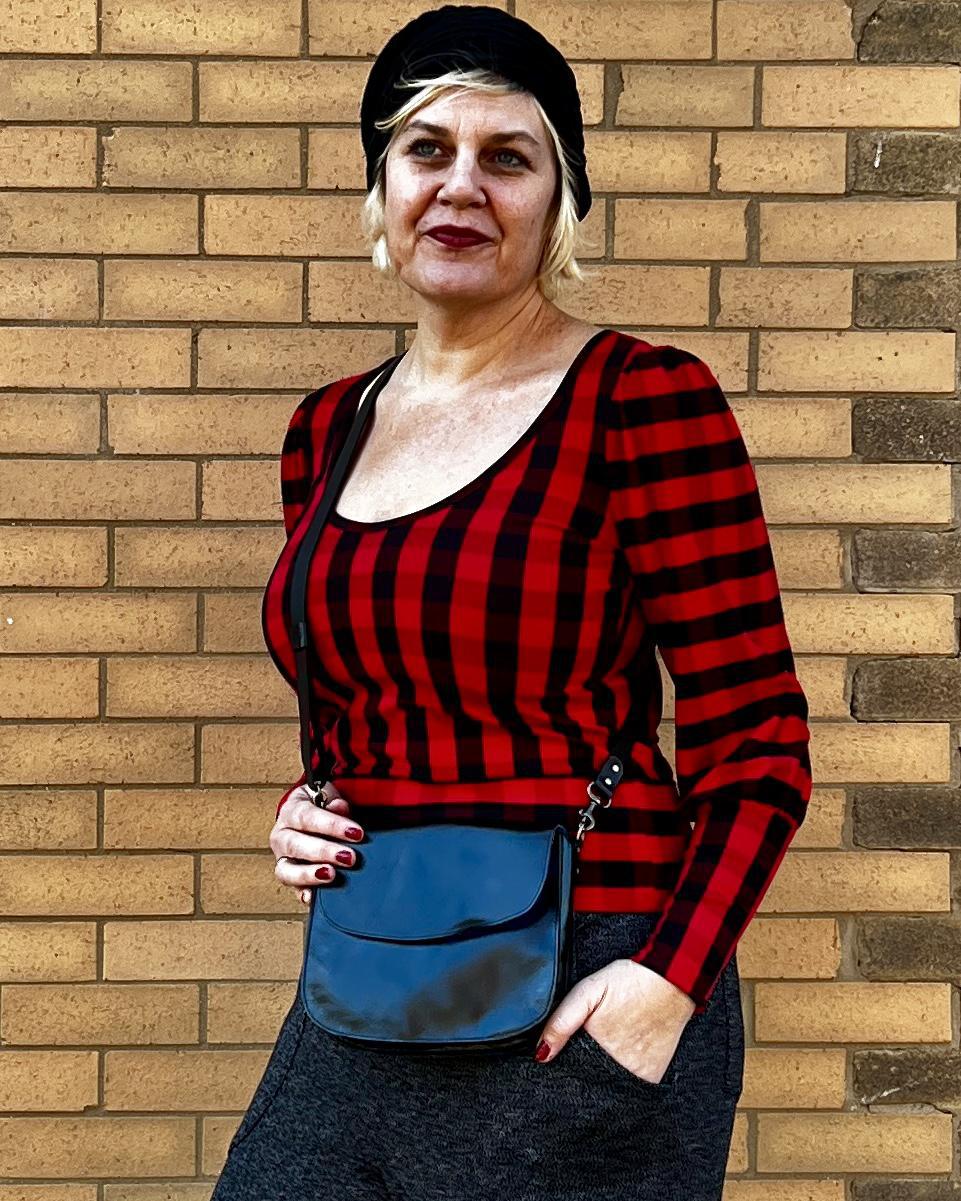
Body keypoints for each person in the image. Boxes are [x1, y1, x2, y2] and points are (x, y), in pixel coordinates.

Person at [211, 6, 812, 1199]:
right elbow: (372, 699)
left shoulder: (641, 399)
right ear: (380, 189)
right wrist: (307, 808)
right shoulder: (327, 428)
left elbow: (757, 737)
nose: (461, 187)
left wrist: (666, 982)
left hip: (585, 980)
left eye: (508, 157)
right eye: (426, 150)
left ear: (558, 201)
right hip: (374, 969)